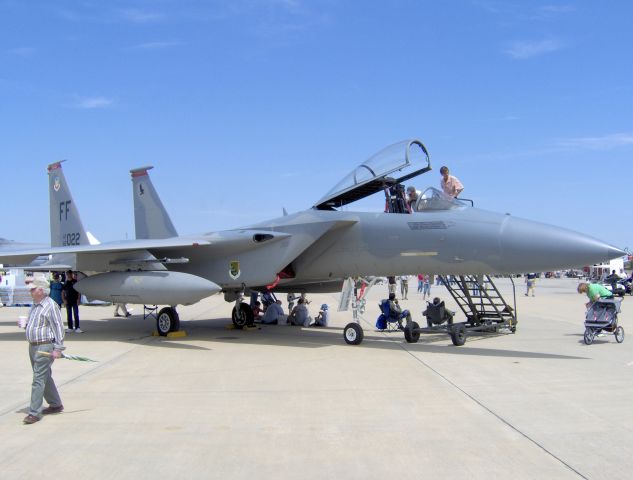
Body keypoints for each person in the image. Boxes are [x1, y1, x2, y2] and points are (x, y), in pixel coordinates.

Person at [21, 278, 65, 424]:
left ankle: (34, 412)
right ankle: (56, 404)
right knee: (44, 375)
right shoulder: (35, 305)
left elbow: (58, 327)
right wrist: (25, 324)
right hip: (32, 345)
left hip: (44, 346)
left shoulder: (50, 306)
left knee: (38, 379)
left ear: (41, 290)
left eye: (33, 289)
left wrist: (58, 348)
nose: (30, 291)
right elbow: (35, 324)